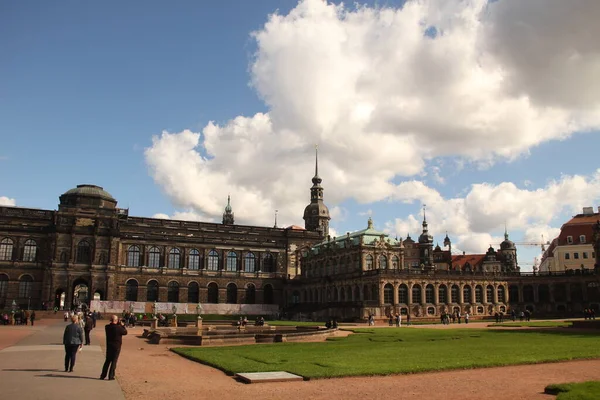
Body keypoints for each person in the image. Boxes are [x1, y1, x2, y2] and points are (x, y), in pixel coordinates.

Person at [100, 315, 128, 380]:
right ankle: (111, 375)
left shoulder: (107, 327)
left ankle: (103, 375)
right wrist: (122, 325)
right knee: (114, 361)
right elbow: (125, 332)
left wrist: (118, 324)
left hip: (109, 345)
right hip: (116, 346)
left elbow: (113, 326)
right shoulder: (118, 328)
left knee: (107, 361)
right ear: (116, 320)